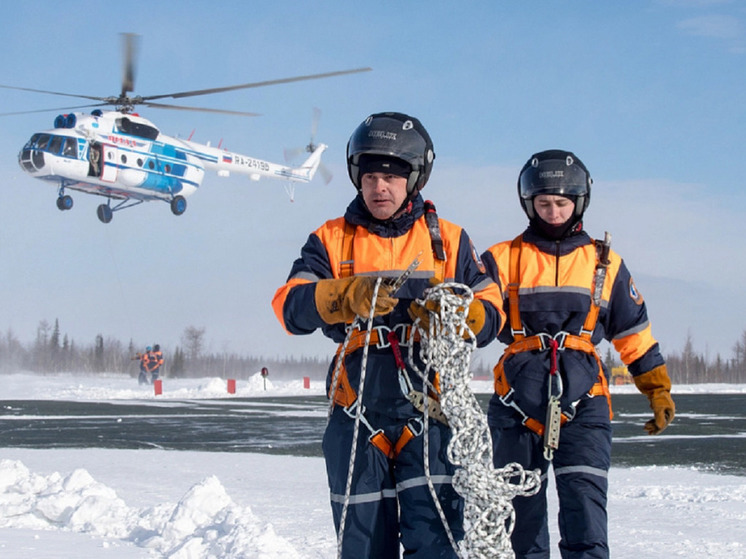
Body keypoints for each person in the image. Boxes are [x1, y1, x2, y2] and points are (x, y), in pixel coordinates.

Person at [272, 111, 504, 558]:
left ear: (414, 179)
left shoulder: (450, 241)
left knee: (437, 543)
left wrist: (462, 315)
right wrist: (343, 296)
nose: (380, 187)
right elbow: (288, 306)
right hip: (357, 408)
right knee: (362, 546)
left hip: (430, 412)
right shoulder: (331, 239)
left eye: (392, 177)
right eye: (371, 176)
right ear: (357, 177)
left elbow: (492, 310)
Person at [481, 149, 675, 558]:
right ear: (529, 203)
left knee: (585, 512)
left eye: (562, 203)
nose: (553, 212)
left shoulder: (606, 264)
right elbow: (476, 322)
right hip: (517, 404)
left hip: (585, 404)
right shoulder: (500, 259)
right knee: (520, 522)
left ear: (579, 203)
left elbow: (634, 334)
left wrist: (656, 388)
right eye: (544, 203)